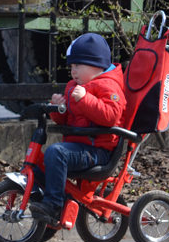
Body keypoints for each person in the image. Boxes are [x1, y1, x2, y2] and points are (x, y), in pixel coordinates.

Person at [29, 33, 127, 224]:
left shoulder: (109, 85)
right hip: (80, 148)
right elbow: (65, 118)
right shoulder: (75, 86)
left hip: (98, 151)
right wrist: (57, 108)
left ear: (96, 65)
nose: (73, 71)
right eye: (72, 66)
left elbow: (110, 116)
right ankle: (44, 203)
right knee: (41, 163)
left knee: (56, 153)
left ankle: (53, 205)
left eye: (78, 66)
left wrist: (85, 99)